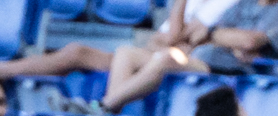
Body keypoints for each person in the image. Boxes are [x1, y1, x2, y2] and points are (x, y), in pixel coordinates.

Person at [55, 0, 278, 115]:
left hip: (233, 71)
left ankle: (104, 107)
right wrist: (222, 37)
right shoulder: (242, 4)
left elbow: (250, 42)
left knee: (164, 58)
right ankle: (109, 109)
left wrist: (214, 34)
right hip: (204, 59)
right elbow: (195, 34)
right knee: (126, 53)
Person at [0, 0, 238, 81]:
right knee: (75, 51)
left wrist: (175, 36)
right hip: (151, 56)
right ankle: (5, 70)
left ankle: (105, 108)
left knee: (126, 53)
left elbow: (178, 39)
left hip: (183, 63)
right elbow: (161, 39)